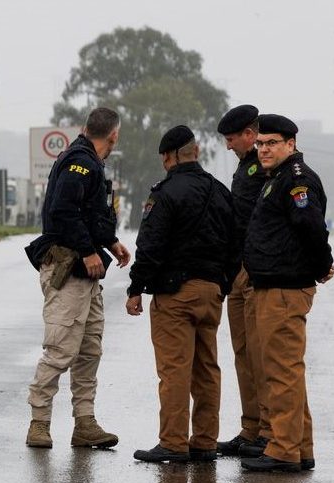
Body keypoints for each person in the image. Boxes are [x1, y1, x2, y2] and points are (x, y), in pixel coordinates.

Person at [127, 125, 238, 463]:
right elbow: (236, 245)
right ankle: (204, 441)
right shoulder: (220, 191)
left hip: (175, 294)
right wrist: (224, 284)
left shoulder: (165, 192)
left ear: (168, 156)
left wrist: (136, 287)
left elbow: (150, 245)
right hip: (212, 292)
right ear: (196, 152)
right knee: (207, 368)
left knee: (175, 369)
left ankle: (173, 442)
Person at [23, 107, 131, 449]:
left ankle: (85, 423)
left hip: (86, 275)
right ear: (114, 135)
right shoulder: (79, 162)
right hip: (68, 268)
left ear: (86, 128)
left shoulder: (91, 162)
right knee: (60, 349)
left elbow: (90, 215)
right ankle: (38, 423)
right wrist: (87, 250)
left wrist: (111, 243)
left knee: (89, 351)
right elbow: (63, 210)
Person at [240, 114, 334, 472]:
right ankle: (300, 447)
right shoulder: (277, 178)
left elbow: (311, 226)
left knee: (280, 373)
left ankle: (282, 449)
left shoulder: (296, 180)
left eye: (271, 143)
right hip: (273, 284)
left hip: (283, 288)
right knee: (287, 372)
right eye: (260, 144)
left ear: (290, 145)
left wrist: (322, 265)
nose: (263, 149)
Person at [214, 105, 273, 457]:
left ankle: (268, 431)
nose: (228, 145)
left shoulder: (265, 166)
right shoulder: (244, 167)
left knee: (262, 355)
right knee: (243, 354)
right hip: (238, 270)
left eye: (232, 138)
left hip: (255, 270)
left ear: (250, 134)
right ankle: (251, 428)